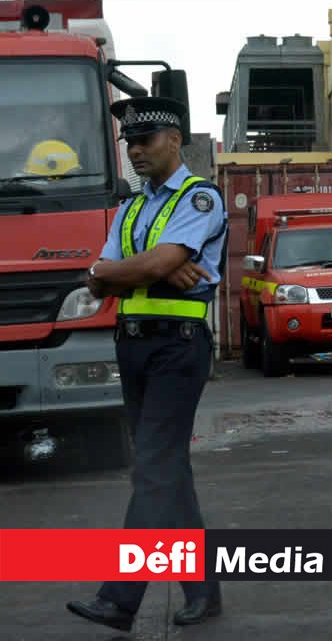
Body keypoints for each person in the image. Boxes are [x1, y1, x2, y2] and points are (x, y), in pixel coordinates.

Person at [66, 97, 227, 632]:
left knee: (153, 470)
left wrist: (131, 269)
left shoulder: (199, 198)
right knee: (169, 474)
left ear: (175, 141)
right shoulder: (131, 208)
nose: (135, 150)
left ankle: (120, 599)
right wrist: (134, 270)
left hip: (177, 348)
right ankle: (204, 592)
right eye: (129, 142)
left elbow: (156, 262)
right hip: (132, 345)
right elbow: (95, 278)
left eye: (146, 140)